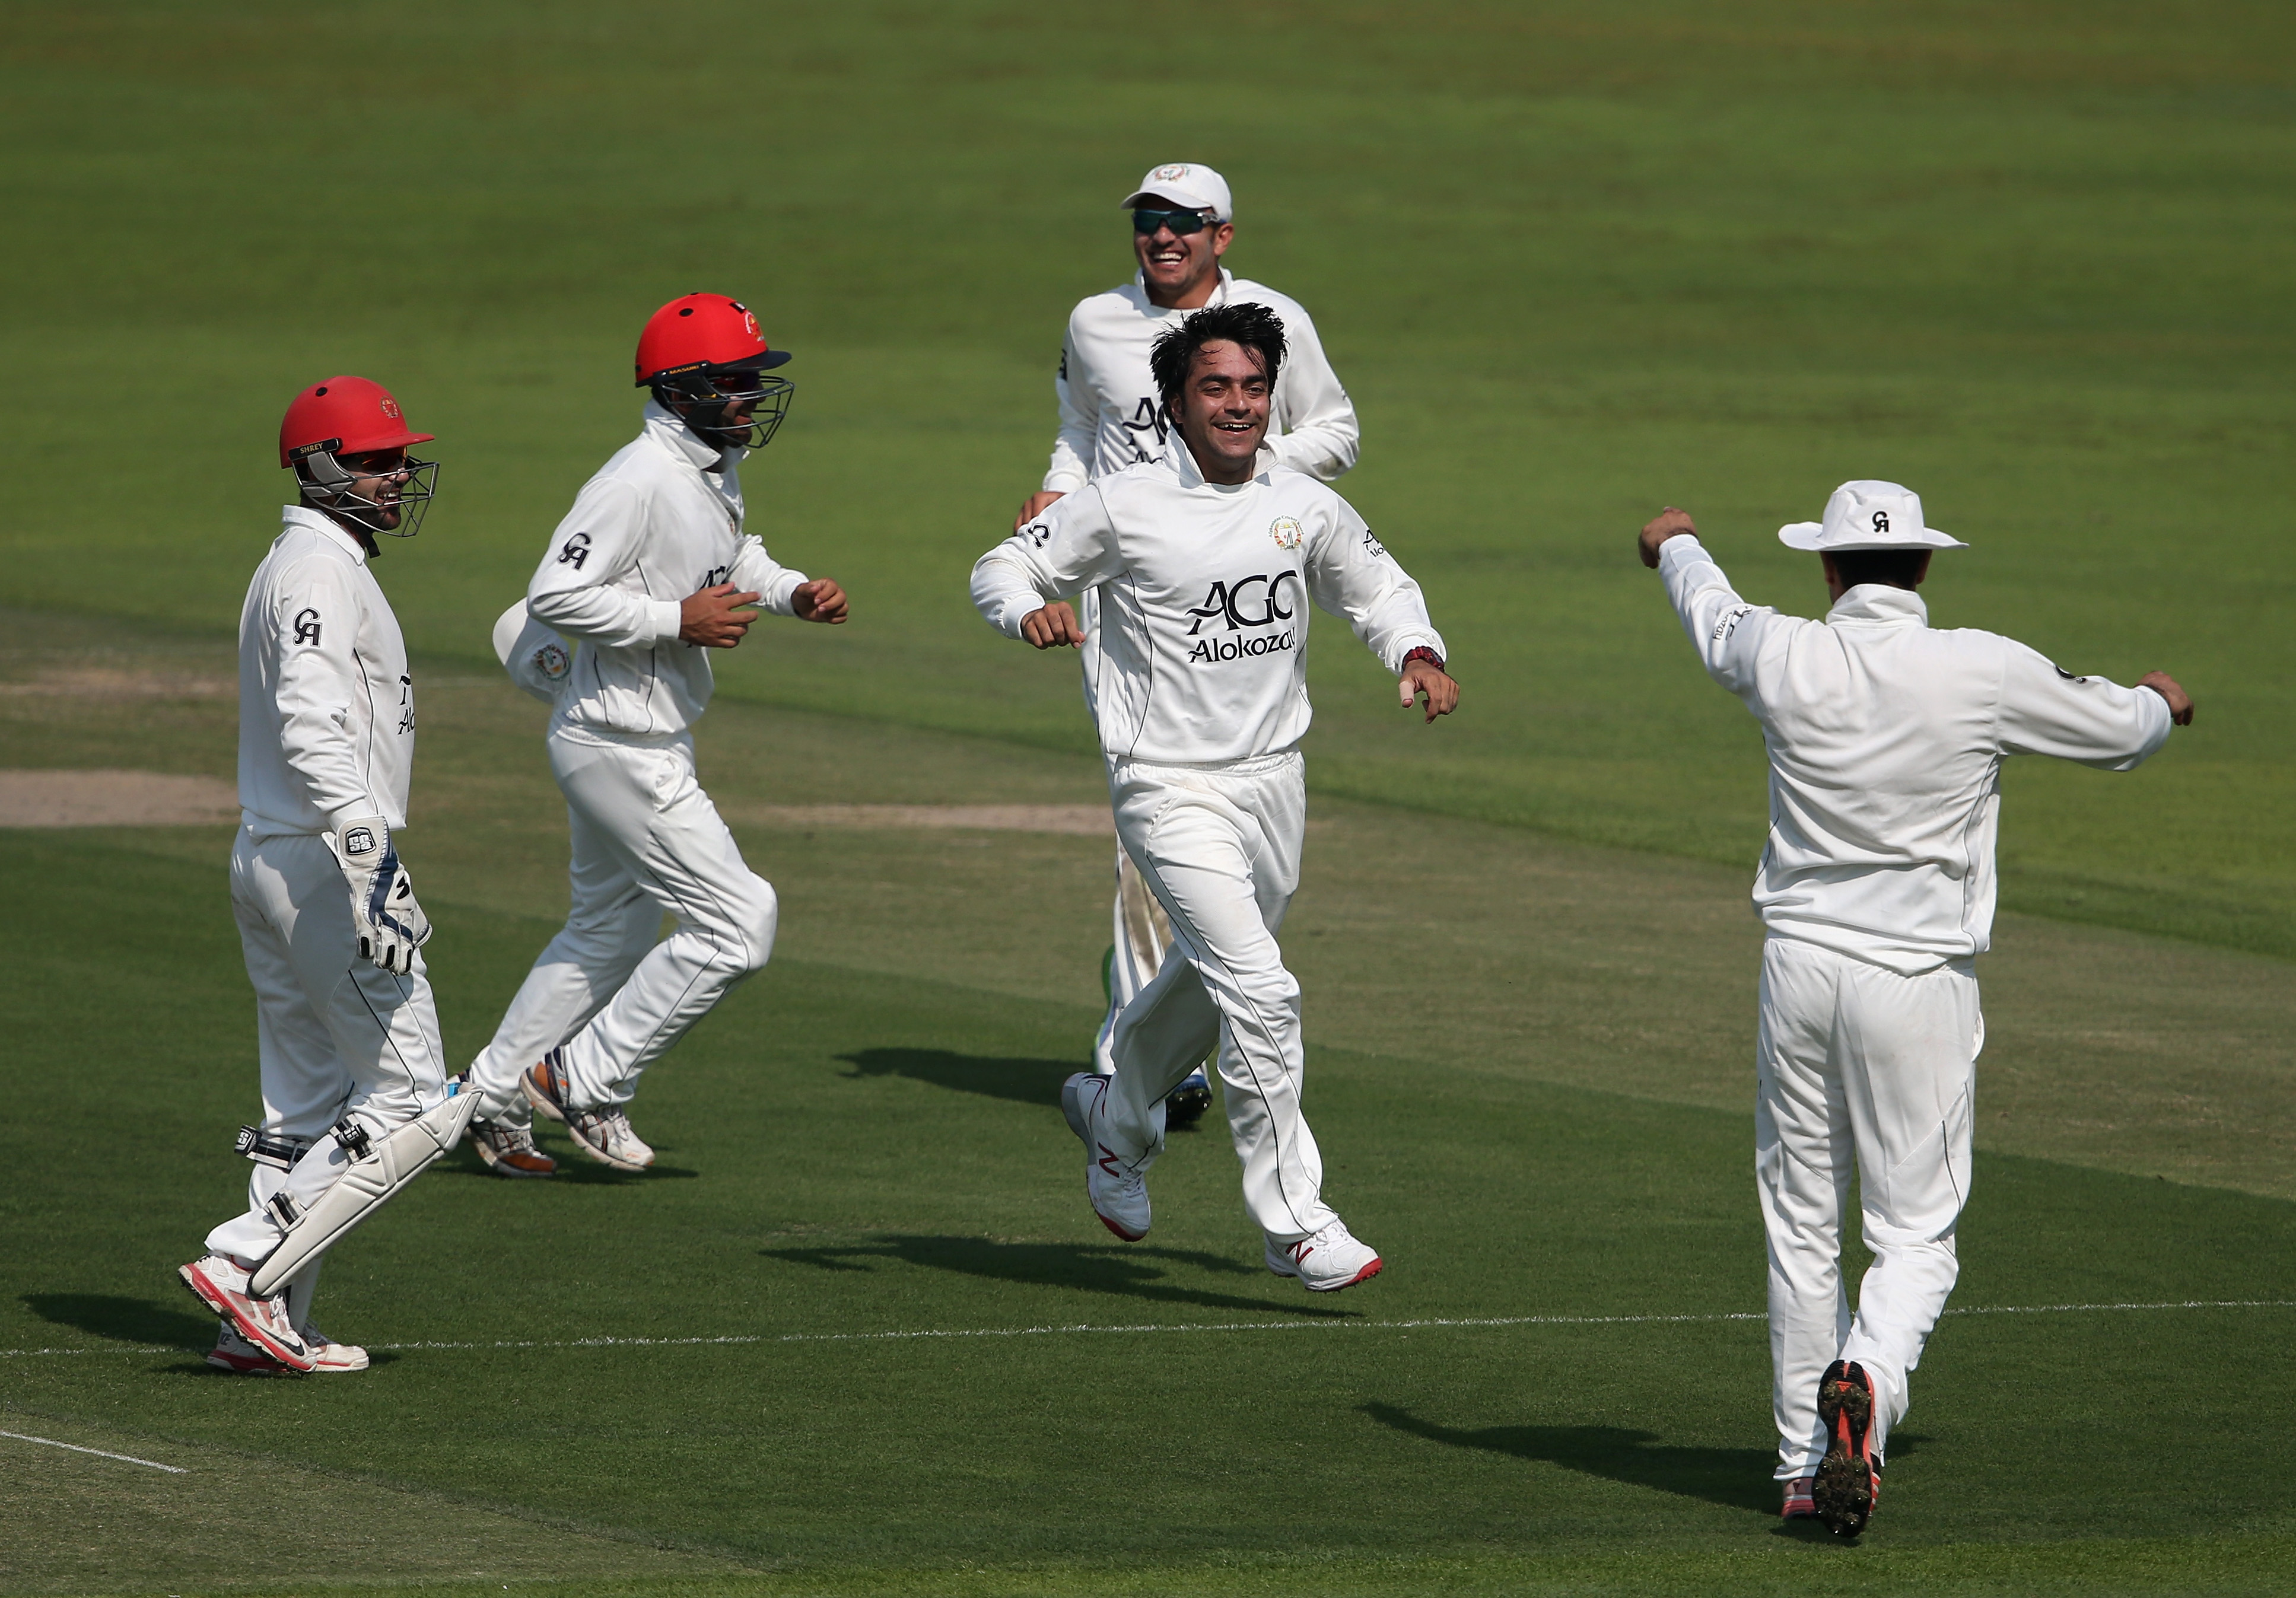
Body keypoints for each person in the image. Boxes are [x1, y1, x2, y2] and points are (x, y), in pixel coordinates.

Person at [1639, 483, 2193, 1536]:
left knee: (1801, 1221)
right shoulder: (1978, 666)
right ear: (1925, 568)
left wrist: (1674, 543)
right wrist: (2162, 702)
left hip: (1797, 966)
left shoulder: (1784, 649)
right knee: (1917, 1235)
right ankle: (1867, 1379)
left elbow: (1710, 614)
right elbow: (2120, 730)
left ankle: (1806, 1466)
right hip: (1916, 980)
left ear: (1828, 567)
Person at [971, 302, 1457, 1291]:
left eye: (1250, 387)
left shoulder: (1300, 498)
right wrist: (1030, 607)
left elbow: (1375, 585)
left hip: (1274, 781)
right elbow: (1003, 563)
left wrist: (1415, 648)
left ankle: (1114, 1119)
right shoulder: (1125, 500)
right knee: (1265, 994)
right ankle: (1294, 1223)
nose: (1236, 405)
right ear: (1177, 403)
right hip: (1167, 784)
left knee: (1216, 975)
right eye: (1213, 388)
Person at [460, 294, 847, 1174]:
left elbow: (728, 559)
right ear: (681, 388)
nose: (753, 395)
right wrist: (674, 619)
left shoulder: (711, 465)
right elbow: (555, 593)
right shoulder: (635, 480)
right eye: (737, 380)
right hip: (618, 742)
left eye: (755, 379)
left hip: (637, 734)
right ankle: (583, 1078)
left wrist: (789, 592)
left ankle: (487, 1101)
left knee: (609, 934)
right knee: (741, 921)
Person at [1017, 160, 1363, 1123]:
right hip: (1129, 590)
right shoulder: (1096, 322)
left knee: (1243, 864)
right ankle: (1136, 1059)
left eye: (1184, 222)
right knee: (1148, 822)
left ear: (1223, 234)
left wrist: (1239, 466)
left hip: (1240, 586)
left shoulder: (1274, 322)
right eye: (1148, 221)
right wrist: (1057, 492)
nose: (1161, 236)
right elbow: (1079, 427)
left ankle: (1157, 1046)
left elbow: (1336, 431)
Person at [180, 376, 450, 1375]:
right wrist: (367, 852)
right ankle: (244, 1262)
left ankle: (257, 1326)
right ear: (323, 465)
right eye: (378, 460)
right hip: (323, 858)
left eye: (397, 458)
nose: (397, 476)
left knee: (302, 1110)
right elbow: (310, 715)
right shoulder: (316, 569)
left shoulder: (303, 563)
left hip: (277, 852)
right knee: (418, 1097)